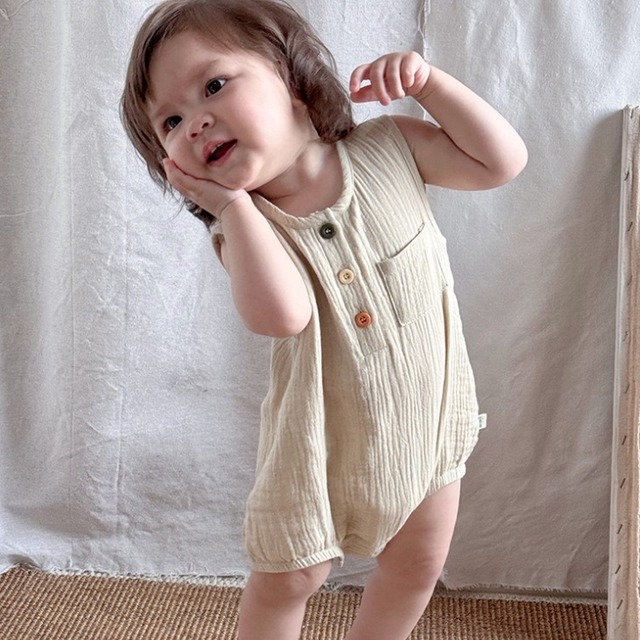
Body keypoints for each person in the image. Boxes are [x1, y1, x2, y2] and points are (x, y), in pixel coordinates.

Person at [121, 1, 527, 638]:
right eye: (170, 121)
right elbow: (282, 316)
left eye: (214, 85)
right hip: (315, 445)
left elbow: (499, 163)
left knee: (418, 563)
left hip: (425, 423)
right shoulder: (247, 229)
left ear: (293, 75)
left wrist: (430, 85)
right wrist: (231, 207)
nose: (195, 122)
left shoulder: (391, 147)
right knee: (288, 580)